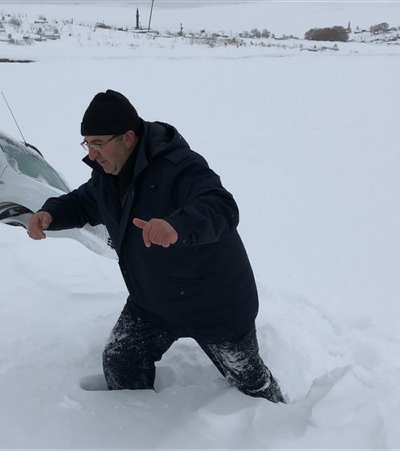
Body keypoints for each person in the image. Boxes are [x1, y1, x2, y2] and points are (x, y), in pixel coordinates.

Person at [27, 89, 284, 403]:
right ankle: (140, 424)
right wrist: (50, 213)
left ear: (129, 138)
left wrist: (177, 226)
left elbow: (221, 206)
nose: (91, 154)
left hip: (215, 304)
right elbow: (84, 202)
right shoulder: (108, 175)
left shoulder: (179, 166)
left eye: (98, 143)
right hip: (153, 302)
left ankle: (281, 424)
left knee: (249, 380)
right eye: (87, 143)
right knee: (121, 358)